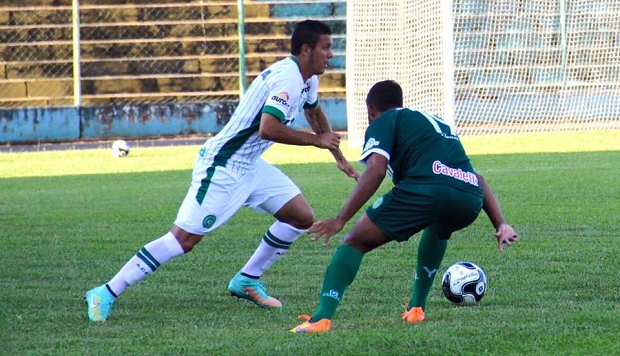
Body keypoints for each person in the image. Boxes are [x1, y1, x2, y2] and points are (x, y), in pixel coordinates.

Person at [85, 19, 359, 322]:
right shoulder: (288, 79)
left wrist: (336, 154)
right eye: (326, 48)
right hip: (224, 166)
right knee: (183, 240)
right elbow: (268, 128)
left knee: (300, 216)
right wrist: (316, 141)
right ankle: (105, 292)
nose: (331, 54)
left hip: (251, 165)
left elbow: (314, 112)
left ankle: (246, 280)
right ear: (306, 50)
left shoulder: (307, 79)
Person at [291, 80, 518, 333]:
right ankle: (416, 308)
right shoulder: (437, 122)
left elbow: (376, 169)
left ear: (370, 109)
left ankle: (321, 318)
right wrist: (501, 223)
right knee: (439, 228)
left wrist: (340, 219)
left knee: (355, 241)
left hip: (428, 190)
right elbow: (478, 178)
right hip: (469, 198)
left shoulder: (384, 120)